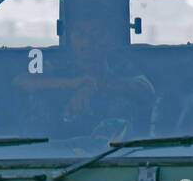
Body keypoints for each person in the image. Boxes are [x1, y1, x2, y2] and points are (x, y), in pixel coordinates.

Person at [13, 8, 154, 138]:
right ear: (70, 36)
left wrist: (92, 87)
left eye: (97, 34)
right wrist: (72, 84)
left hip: (116, 154)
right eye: (80, 34)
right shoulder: (57, 64)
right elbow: (22, 82)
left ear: (110, 38)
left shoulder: (121, 65)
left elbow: (146, 90)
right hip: (45, 154)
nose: (87, 42)